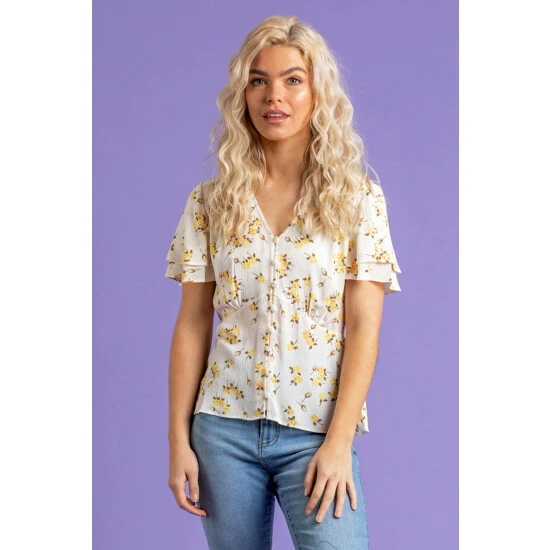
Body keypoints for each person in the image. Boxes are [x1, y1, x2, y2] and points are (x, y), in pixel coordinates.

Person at [164, 15, 402, 550]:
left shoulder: (357, 200)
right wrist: (178, 439)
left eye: (293, 79)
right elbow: (193, 324)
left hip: (316, 432)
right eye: (259, 80)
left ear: (318, 92)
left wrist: (338, 442)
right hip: (221, 431)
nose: (274, 95)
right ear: (243, 94)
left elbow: (364, 327)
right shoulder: (210, 203)